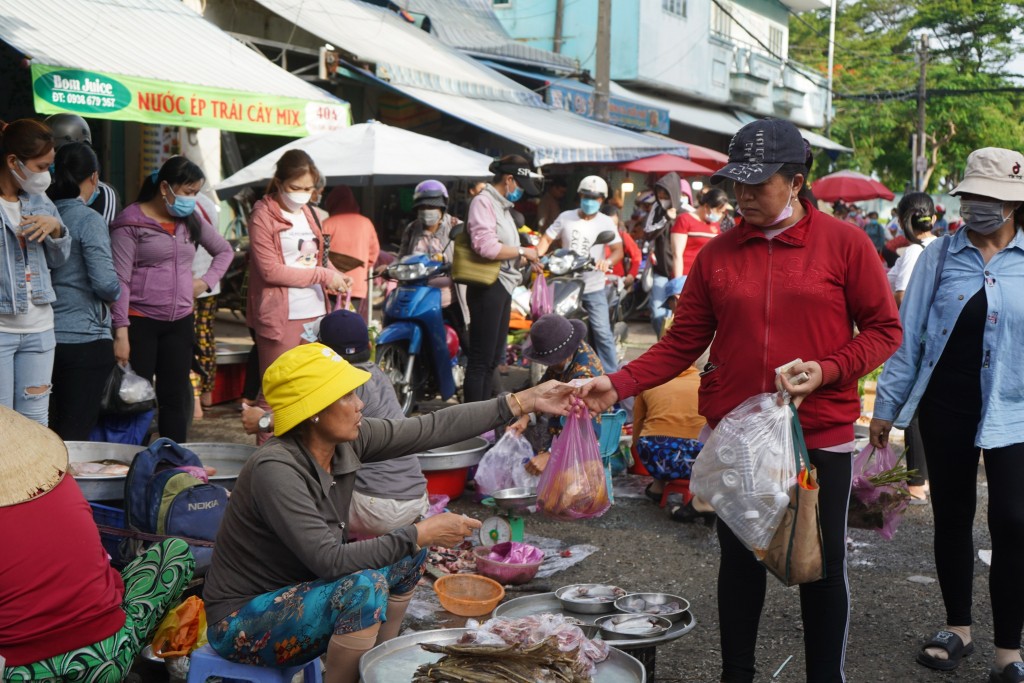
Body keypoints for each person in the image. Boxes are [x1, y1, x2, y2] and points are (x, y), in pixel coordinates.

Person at [581, 118, 903, 683]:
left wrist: (826, 370)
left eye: (760, 183)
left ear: (797, 181)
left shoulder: (845, 244)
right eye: (738, 183)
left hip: (816, 435)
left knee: (819, 566)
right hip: (736, 435)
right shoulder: (718, 254)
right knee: (740, 561)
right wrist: (619, 381)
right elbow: (683, 342)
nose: (744, 195)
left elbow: (883, 331)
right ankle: (738, 675)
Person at [204, 343, 577, 679]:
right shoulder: (277, 469)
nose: (360, 402)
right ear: (313, 411)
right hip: (244, 620)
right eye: (347, 395)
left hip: (301, 589)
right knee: (363, 587)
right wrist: (420, 532)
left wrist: (524, 400)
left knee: (409, 555)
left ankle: (378, 666)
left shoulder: (346, 443)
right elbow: (329, 562)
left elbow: (428, 428)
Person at [870, 147, 1024, 683]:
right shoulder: (939, 255)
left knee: (1013, 521)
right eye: (973, 195)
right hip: (946, 405)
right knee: (953, 518)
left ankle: (1009, 650)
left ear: (1015, 204)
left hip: (1016, 409)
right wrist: (885, 411)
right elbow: (907, 338)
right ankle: (957, 627)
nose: (979, 205)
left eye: (992, 197)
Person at [0, 405, 194, 679]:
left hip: (22, 674)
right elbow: (106, 577)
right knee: (176, 551)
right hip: (107, 659)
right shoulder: (62, 483)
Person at [241, 309, 430, 538]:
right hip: (416, 499)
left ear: (323, 352)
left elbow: (307, 416)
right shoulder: (378, 375)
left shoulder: (341, 384)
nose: (357, 403)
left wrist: (263, 420)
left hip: (375, 508)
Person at [110, 156, 232, 443]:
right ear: (165, 187)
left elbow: (224, 251)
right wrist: (121, 332)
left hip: (180, 321)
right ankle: (133, 462)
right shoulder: (130, 223)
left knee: (174, 397)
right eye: (188, 192)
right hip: (140, 321)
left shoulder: (190, 221)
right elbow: (120, 281)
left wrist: (205, 282)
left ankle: (175, 463)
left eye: (195, 192)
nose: (192, 199)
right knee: (136, 398)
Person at [246, 150, 350, 396]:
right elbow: (270, 271)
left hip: (316, 313)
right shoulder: (262, 214)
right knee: (276, 396)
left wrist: (337, 274)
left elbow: (316, 258)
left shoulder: (309, 212)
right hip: (281, 318)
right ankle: (269, 438)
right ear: (280, 182)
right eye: (296, 187)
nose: (302, 194)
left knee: (312, 394)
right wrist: (324, 275)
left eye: (309, 189)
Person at [46, 142, 121, 440]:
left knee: (47, 428)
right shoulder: (89, 220)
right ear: (94, 177)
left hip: (44, 337)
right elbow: (105, 283)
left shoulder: (40, 212)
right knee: (74, 435)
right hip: (85, 339)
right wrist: (117, 288)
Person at [0, 119, 70, 426]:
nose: (47, 176)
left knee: (35, 423)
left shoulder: (41, 201)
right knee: (3, 426)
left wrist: (56, 229)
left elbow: (58, 261)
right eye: (41, 167)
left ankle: (35, 478)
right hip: (2, 329)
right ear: (13, 161)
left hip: (40, 330)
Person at [463, 155, 542, 403]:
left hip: (503, 285)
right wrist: (522, 251)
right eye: (519, 185)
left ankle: (483, 421)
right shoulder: (483, 202)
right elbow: (485, 247)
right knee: (480, 360)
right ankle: (468, 426)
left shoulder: (503, 207)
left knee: (492, 360)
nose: (519, 191)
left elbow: (504, 251)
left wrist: (528, 258)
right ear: (509, 179)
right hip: (488, 286)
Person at [538, 176, 623, 372]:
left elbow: (618, 250)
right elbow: (546, 240)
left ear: (602, 200)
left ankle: (613, 380)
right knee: (553, 329)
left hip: (593, 286)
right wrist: (536, 258)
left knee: (602, 332)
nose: (590, 200)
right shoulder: (565, 217)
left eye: (595, 197)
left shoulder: (605, 222)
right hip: (565, 284)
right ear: (580, 196)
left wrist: (607, 261)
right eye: (586, 196)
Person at [884, 192, 936, 504]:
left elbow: (903, 295)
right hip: (936, 340)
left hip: (915, 341)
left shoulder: (914, 252)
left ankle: (917, 482)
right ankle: (924, 479)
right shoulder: (941, 246)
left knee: (912, 410)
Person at [508, 314, 604, 474]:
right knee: (508, 407)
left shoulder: (584, 376)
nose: (550, 366)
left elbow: (584, 431)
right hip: (559, 426)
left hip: (584, 438)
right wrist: (524, 417)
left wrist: (551, 454)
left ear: (567, 353)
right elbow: (542, 392)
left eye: (552, 361)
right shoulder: (562, 360)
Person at [633, 351, 711, 523]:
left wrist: (636, 451)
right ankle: (701, 498)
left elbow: (638, 423)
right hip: (697, 459)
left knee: (655, 439)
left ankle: (657, 487)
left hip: (656, 456)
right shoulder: (705, 382)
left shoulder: (650, 382)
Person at [45, 113, 121, 226]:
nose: (51, 157)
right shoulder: (42, 186)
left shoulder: (102, 192)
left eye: (57, 151)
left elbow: (101, 235)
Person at [321, 186, 378, 310]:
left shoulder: (327, 224)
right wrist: (360, 269)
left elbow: (320, 255)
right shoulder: (366, 223)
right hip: (357, 284)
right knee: (351, 324)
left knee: (329, 324)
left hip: (331, 284)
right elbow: (373, 254)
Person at [644, 171, 686, 338]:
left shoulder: (686, 212)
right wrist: (666, 219)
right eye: (659, 193)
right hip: (661, 270)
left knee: (678, 315)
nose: (661, 197)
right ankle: (663, 342)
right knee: (657, 312)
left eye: (665, 193)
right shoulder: (657, 209)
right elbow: (648, 233)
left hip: (681, 273)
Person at [673, 187, 729, 286]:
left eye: (722, 212)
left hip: (706, 278)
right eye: (718, 211)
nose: (720, 215)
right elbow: (677, 254)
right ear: (707, 206)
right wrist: (678, 283)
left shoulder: (714, 224)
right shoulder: (685, 220)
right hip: (686, 276)